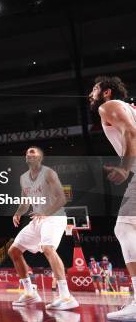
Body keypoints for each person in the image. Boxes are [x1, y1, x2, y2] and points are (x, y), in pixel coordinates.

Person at [88, 76, 136, 320]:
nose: (90, 94)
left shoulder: (110, 106)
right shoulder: (130, 108)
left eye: (94, 90)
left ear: (106, 93)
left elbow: (131, 132)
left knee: (124, 227)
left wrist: (126, 167)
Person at [8, 146, 78, 310]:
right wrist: (18, 213)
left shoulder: (49, 173)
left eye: (33, 152)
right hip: (37, 219)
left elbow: (61, 198)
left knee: (48, 248)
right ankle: (29, 292)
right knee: (14, 251)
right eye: (27, 153)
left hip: (53, 216)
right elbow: (25, 202)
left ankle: (66, 296)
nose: (29, 154)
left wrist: (46, 212)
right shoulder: (23, 178)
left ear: (40, 157)